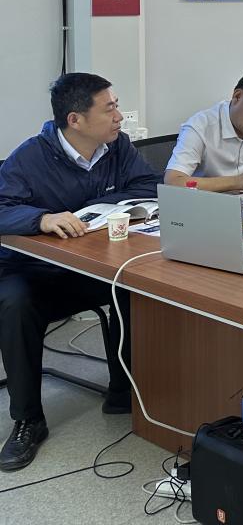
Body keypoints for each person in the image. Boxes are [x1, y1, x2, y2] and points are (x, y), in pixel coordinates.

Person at [0, 74, 163, 470]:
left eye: (116, 106)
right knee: (15, 303)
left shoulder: (117, 146)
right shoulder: (30, 157)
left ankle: (124, 391)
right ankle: (28, 420)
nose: (119, 117)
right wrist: (41, 219)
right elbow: (3, 208)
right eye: (109, 110)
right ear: (75, 120)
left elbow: (148, 184)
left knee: (133, 285)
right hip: (32, 272)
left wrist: (98, 206)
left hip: (88, 265)